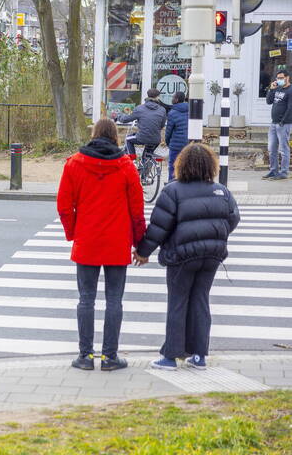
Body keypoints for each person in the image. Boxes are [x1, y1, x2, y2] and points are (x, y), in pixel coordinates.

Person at [135, 143, 240, 370]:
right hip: (212, 256)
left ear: (182, 164)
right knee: (201, 300)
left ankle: (171, 356)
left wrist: (143, 252)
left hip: (182, 257)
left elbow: (159, 227)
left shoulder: (173, 191)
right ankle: (199, 355)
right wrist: (214, 236)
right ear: (210, 166)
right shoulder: (222, 191)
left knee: (178, 302)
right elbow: (233, 219)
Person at [57, 118, 146, 372]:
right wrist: (140, 243)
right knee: (114, 300)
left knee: (86, 300)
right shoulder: (126, 167)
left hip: (87, 241)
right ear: (115, 137)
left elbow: (64, 206)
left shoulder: (74, 164)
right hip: (117, 243)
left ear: (94, 134)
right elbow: (137, 211)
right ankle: (110, 357)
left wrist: (74, 232)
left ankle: (85, 356)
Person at [117, 88, 168, 161]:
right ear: (158, 97)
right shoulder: (162, 110)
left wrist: (119, 116)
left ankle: (132, 159)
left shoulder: (140, 108)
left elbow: (125, 119)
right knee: (146, 156)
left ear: (148, 96)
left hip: (142, 137)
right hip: (156, 139)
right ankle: (144, 170)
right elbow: (162, 125)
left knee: (128, 139)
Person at [265, 70, 292, 180]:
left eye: (281, 78)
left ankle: (284, 172)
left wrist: (283, 121)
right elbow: (269, 101)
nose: (279, 80)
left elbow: (290, 108)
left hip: (284, 124)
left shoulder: (290, 90)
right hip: (273, 123)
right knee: (272, 148)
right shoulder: (277, 88)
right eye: (278, 78)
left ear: (287, 78)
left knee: (283, 149)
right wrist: (271, 89)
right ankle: (273, 171)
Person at [164, 90, 189, 182]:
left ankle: (172, 183)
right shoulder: (190, 110)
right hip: (189, 143)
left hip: (176, 144)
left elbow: (168, 131)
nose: (172, 99)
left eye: (173, 97)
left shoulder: (172, 113)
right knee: (186, 165)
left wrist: (168, 143)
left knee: (173, 165)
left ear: (177, 99)